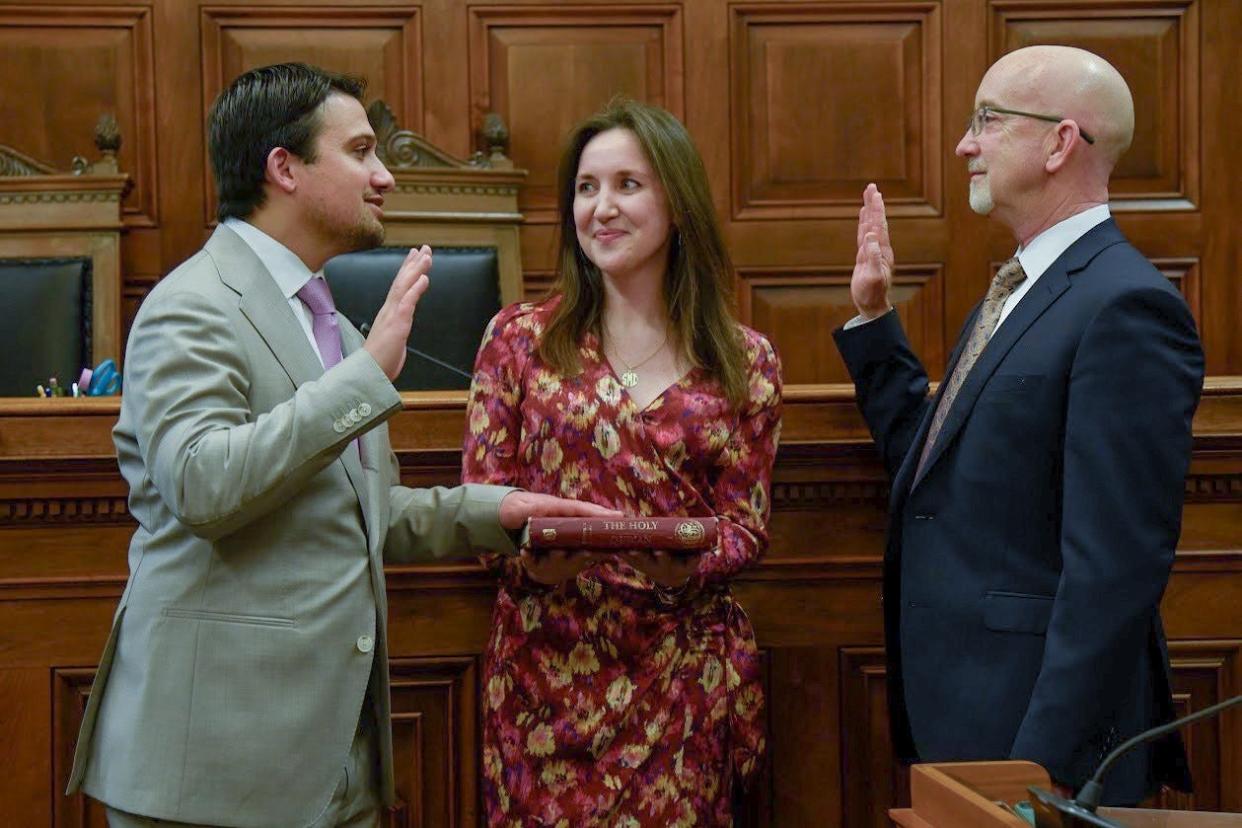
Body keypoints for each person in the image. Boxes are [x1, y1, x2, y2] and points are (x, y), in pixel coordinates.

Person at [65, 62, 616, 828]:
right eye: (360, 151)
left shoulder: (321, 314)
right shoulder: (190, 306)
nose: (384, 176)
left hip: (330, 763)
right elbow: (201, 486)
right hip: (215, 771)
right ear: (283, 168)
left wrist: (504, 512)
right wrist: (363, 376)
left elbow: (358, 513)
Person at [834, 45, 1202, 805]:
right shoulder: (1018, 289)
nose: (966, 144)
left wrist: (1040, 768)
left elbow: (1114, 570)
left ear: (1060, 142)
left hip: (1037, 741)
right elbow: (940, 470)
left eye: (988, 121)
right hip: (971, 715)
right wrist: (875, 320)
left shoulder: (1125, 307)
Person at [461, 99, 782, 826]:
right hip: (547, 674)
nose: (601, 208)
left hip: (682, 685)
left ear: (677, 202)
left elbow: (746, 524)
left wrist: (690, 562)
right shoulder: (519, 338)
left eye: (627, 185)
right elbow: (480, 502)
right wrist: (531, 563)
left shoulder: (745, 359)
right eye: (585, 188)